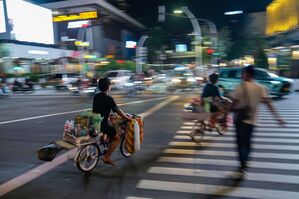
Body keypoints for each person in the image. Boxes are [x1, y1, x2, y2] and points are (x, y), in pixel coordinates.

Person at [231, 65, 285, 175]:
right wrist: (277, 117)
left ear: (248, 74)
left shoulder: (239, 87)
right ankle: (244, 162)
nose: (242, 75)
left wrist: (228, 112)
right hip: (252, 121)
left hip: (240, 120)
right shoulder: (260, 87)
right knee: (247, 143)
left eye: (243, 73)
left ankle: (242, 163)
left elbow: (234, 103)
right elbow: (268, 103)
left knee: (240, 143)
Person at [92, 77, 130, 166]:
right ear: (108, 87)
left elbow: (100, 110)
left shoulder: (96, 96)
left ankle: (104, 139)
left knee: (109, 125)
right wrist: (126, 117)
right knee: (117, 137)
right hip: (102, 124)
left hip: (95, 121)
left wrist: (109, 116)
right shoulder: (109, 98)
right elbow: (117, 110)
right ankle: (107, 156)